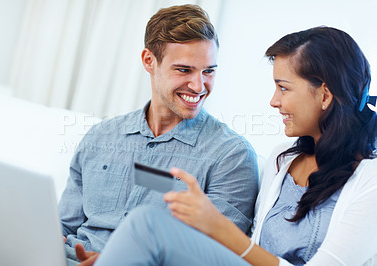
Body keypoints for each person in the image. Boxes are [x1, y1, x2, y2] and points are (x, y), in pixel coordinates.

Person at [74, 26, 377, 266]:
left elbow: (241, 247)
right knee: (145, 230)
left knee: (147, 223)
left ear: (325, 96)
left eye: (283, 88)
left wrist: (216, 225)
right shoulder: (282, 161)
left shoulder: (369, 180)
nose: (274, 101)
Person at [58, 4, 259, 263]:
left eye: (209, 71)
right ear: (149, 61)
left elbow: (208, 257)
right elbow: (64, 226)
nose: (199, 86)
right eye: (184, 70)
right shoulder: (101, 137)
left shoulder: (231, 156)